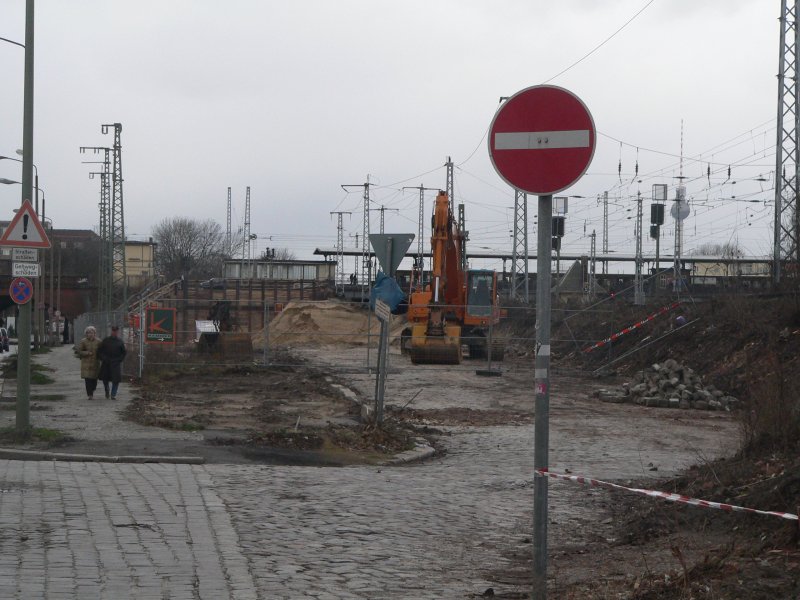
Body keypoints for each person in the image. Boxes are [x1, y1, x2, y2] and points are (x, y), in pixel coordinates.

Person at [98, 325, 127, 400]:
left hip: (115, 363)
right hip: (106, 362)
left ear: (117, 332)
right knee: (105, 378)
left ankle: (113, 394)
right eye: (113, 331)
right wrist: (103, 358)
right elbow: (100, 351)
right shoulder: (106, 340)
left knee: (116, 380)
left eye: (116, 331)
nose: (114, 332)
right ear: (111, 331)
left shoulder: (120, 341)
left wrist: (119, 360)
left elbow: (123, 353)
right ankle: (107, 389)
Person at [74, 326, 101, 400]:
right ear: (86, 334)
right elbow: (79, 351)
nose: (90, 334)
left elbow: (102, 350)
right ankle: (90, 394)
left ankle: (92, 390)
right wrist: (87, 353)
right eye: (88, 333)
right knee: (88, 380)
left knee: (94, 380)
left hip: (95, 363)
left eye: (92, 332)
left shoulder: (98, 341)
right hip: (86, 364)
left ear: (94, 333)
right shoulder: (83, 341)